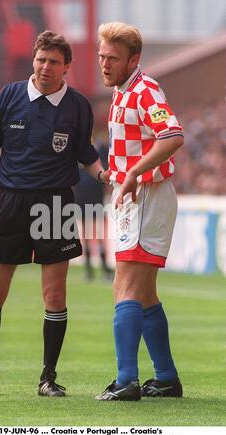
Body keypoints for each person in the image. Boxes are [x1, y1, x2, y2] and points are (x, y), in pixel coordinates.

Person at [0, 30, 107, 398]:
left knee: (55, 296)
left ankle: (48, 377)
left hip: (55, 203)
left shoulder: (77, 106)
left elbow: (85, 154)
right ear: (33, 60)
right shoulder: (9, 96)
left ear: (67, 68)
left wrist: (108, 178)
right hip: (10, 202)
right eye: (41, 59)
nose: (45, 67)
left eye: (54, 62)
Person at [96, 22, 184, 401]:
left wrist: (133, 172)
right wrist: (113, 173)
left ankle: (126, 380)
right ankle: (165, 377)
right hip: (135, 193)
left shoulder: (145, 91)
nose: (104, 63)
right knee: (144, 294)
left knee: (125, 288)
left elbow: (173, 135)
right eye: (101, 56)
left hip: (146, 194)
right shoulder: (122, 91)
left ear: (133, 59)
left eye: (112, 58)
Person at [73, 137, 113, 281]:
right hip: (82, 194)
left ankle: (103, 266)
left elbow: (106, 169)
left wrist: (107, 190)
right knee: (87, 231)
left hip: (94, 193)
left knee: (98, 231)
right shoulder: (76, 147)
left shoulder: (99, 148)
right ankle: (89, 267)